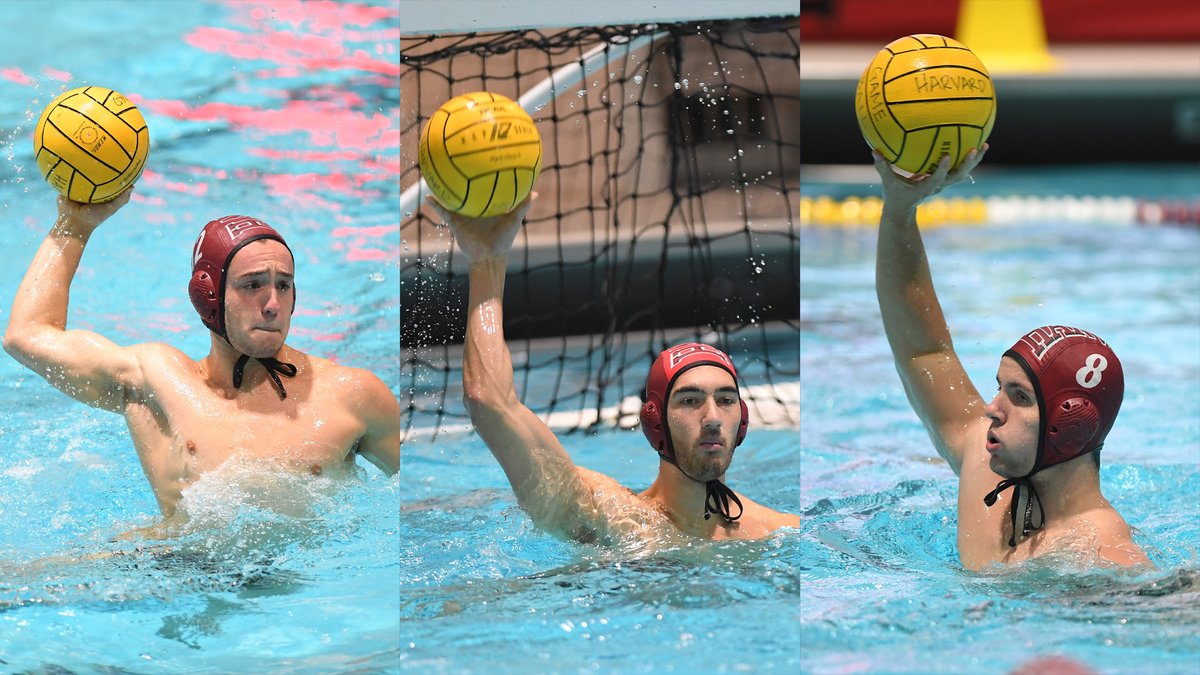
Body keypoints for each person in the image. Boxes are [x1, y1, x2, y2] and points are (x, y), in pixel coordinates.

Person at [3, 188, 400, 529]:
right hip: (175, 569)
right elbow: (27, 336)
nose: (274, 304)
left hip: (303, 593)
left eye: (284, 285)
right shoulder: (156, 380)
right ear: (208, 295)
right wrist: (75, 224)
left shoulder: (353, 394)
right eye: (253, 285)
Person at [427, 193, 798, 545]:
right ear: (655, 421)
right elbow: (489, 402)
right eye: (689, 401)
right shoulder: (613, 518)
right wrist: (487, 260)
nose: (713, 417)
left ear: (743, 420)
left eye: (726, 400)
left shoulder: (778, 531)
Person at [872, 145, 1149, 569]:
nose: (990, 409)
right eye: (998, 388)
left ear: (1069, 423)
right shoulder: (985, 464)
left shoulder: (1099, 553)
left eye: (1019, 397)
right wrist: (898, 209)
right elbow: (924, 351)